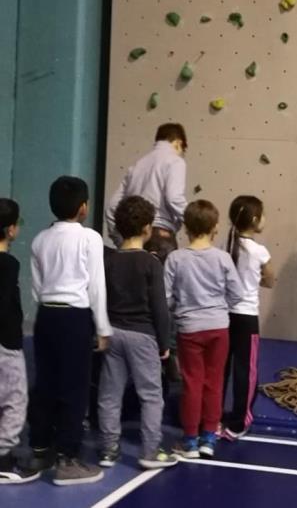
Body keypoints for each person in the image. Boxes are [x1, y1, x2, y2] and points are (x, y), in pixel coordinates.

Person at [29, 176, 111, 485]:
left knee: (46, 383)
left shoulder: (39, 239)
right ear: (83, 207)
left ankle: (40, 448)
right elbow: (96, 286)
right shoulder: (89, 239)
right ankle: (68, 458)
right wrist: (102, 327)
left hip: (46, 316)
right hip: (75, 318)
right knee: (75, 388)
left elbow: (37, 289)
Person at [97, 196, 178, 470]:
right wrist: (164, 342)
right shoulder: (151, 263)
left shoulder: (109, 260)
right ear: (147, 228)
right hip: (143, 336)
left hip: (113, 333)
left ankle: (108, 450)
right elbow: (159, 308)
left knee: (109, 394)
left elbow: (101, 298)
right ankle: (150, 450)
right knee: (151, 395)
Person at [164, 200, 244, 459]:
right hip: (219, 327)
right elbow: (237, 293)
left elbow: (165, 297)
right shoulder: (222, 258)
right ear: (215, 227)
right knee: (214, 382)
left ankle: (189, 440)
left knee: (191, 383)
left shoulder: (176, 258)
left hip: (189, 329)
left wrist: (180, 306)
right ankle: (209, 436)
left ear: (185, 227)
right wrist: (220, 308)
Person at [223, 195, 275, 440]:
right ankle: (239, 422)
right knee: (247, 371)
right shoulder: (258, 251)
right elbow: (270, 280)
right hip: (246, 317)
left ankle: (213, 419)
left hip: (224, 316)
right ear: (255, 220)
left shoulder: (227, 247)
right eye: (263, 214)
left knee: (222, 368)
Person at [0, 199, 40, 484]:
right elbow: (6, 306)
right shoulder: (9, 264)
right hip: (5, 343)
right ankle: (3, 457)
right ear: (11, 229)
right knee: (16, 399)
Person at [106, 123, 188, 259]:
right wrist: (196, 223)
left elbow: (112, 207)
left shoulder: (136, 166)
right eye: (183, 150)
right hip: (161, 235)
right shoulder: (175, 161)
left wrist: (120, 240)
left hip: (133, 239)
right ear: (178, 143)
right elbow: (174, 198)